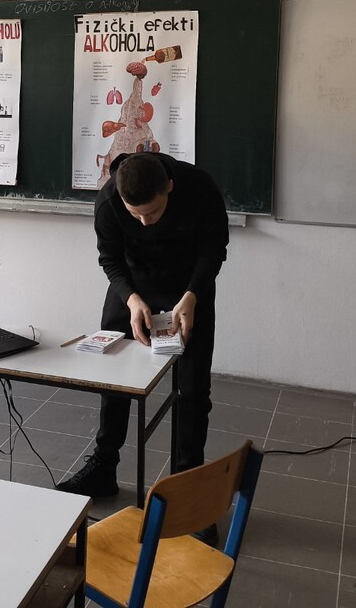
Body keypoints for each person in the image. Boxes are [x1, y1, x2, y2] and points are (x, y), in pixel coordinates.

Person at [56, 153, 228, 514]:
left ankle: (185, 488)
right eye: (135, 215)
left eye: (153, 212)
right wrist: (131, 299)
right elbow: (110, 259)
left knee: (192, 390)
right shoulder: (108, 199)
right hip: (133, 287)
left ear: (169, 187)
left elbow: (213, 252)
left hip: (189, 288)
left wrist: (192, 295)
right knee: (114, 378)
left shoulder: (201, 188)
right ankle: (104, 467)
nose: (145, 223)